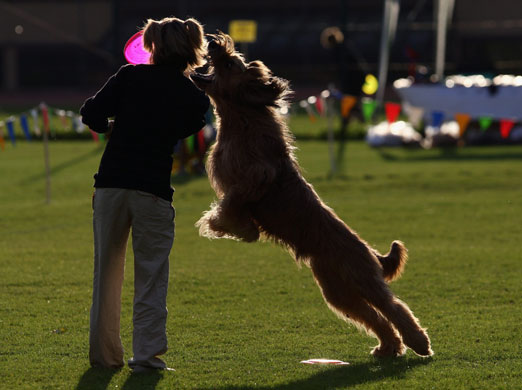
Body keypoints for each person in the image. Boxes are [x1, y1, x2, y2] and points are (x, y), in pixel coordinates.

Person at [80, 16, 210, 372]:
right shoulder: (193, 97)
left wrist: (112, 125)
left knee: (106, 273)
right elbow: (189, 128)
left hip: (110, 184)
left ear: (150, 44)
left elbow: (89, 113)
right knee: (151, 276)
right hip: (152, 190)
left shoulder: (128, 76)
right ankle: (147, 357)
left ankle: (104, 357)